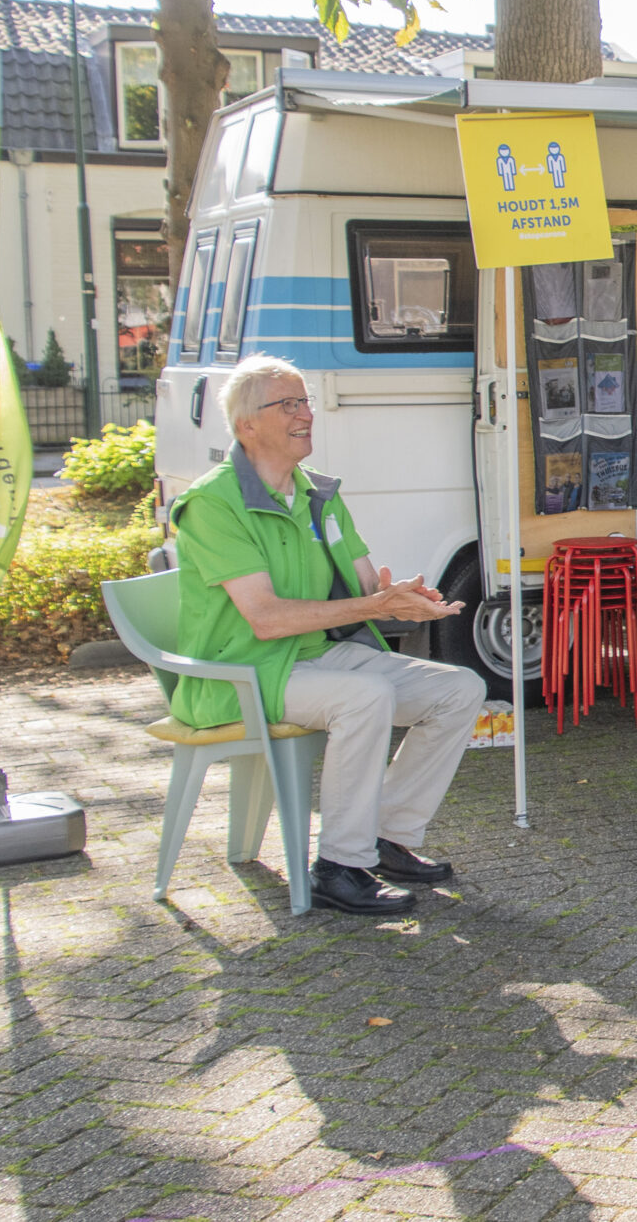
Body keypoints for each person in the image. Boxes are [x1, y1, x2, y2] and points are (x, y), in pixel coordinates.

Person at [169, 355, 486, 916]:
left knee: (459, 689)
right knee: (365, 698)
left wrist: (406, 597)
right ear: (246, 425)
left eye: (305, 401)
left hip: (318, 657)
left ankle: (387, 836)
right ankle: (339, 866)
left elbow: (365, 580)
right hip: (243, 670)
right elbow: (264, 618)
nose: (304, 414)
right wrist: (372, 603)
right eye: (287, 404)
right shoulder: (213, 503)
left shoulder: (320, 493)